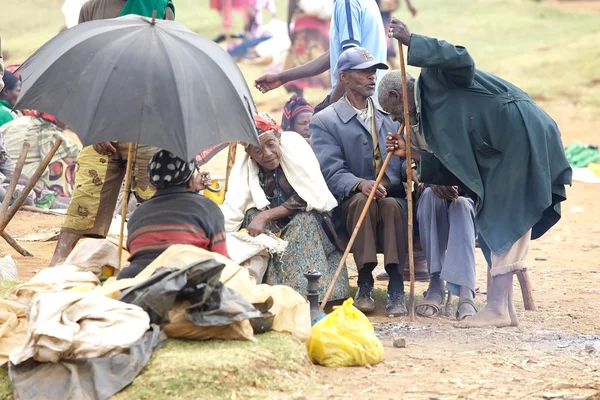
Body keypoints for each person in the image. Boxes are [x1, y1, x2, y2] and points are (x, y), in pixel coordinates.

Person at [382, 18, 572, 328]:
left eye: (393, 112)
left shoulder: (434, 80)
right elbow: (451, 161)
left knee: (503, 217)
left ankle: (496, 308)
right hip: (503, 147)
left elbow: (462, 59)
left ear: (400, 97)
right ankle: (504, 309)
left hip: (516, 134)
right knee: (500, 219)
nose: (395, 120)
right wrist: (411, 153)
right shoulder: (426, 121)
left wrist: (411, 40)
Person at [48, 0, 175, 266]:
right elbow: (84, 68)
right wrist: (94, 126)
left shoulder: (160, 6)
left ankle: (158, 267)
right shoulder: (91, 9)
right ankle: (56, 265)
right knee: (85, 197)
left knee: (154, 198)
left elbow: (167, 67)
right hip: (102, 121)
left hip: (147, 123)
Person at [310, 47, 408, 316]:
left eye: (373, 71)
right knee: (363, 200)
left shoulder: (390, 116)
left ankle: (396, 285)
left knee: (389, 206)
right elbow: (330, 170)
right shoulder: (325, 121)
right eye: (363, 72)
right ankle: (364, 280)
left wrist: (408, 164)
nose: (371, 77)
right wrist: (359, 183)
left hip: (392, 198)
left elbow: (403, 163)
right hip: (353, 201)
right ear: (344, 77)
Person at [220, 113, 349, 302]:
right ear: (250, 154)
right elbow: (233, 210)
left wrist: (266, 216)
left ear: (278, 139)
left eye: (270, 145)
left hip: (313, 228)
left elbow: (311, 196)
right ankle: (272, 292)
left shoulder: (296, 150)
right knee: (251, 215)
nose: (267, 153)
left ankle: (307, 293)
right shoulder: (247, 170)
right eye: (258, 150)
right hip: (276, 232)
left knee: (303, 222)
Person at [254, 0, 387, 114]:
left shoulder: (347, 3)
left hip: (355, 102)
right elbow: (331, 55)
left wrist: (331, 108)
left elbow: (351, 63)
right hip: (366, 98)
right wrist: (281, 77)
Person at [118, 150, 225, 279]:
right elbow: (222, 259)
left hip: (139, 281)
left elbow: (137, 253)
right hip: (188, 281)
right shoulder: (208, 207)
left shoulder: (138, 214)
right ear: (189, 178)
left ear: (152, 180)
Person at [415, 184, 478, 320]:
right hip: (435, 194)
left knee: (460, 204)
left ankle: (466, 292)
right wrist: (432, 180)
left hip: (471, 198)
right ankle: (436, 283)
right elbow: (410, 166)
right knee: (428, 195)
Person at [281, 0, 331, 97]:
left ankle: (299, 93)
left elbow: (292, 3)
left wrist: (288, 24)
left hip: (305, 26)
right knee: (324, 59)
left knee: (299, 60)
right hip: (320, 27)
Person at [375, 0, 417, 69]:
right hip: (377, 12)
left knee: (388, 54)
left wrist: (409, 5)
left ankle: (399, 76)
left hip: (383, 13)